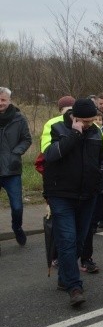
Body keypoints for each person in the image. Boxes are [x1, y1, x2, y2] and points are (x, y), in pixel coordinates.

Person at [42, 98, 103, 307]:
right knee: (68, 239)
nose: (88, 124)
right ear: (74, 116)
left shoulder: (97, 131)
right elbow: (50, 155)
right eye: (84, 121)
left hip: (88, 195)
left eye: (91, 121)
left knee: (79, 240)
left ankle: (65, 277)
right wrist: (75, 134)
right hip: (60, 194)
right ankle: (74, 287)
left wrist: (101, 177)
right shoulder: (54, 126)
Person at [78, 110, 103, 273]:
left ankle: (86, 258)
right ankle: (63, 260)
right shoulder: (72, 132)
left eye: (97, 119)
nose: (95, 122)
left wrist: (101, 169)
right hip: (74, 188)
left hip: (97, 182)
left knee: (89, 223)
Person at [0, 87, 32, 249]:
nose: (0, 103)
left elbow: (27, 139)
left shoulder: (19, 118)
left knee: (17, 207)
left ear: (9, 100)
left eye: (3, 100)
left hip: (12, 170)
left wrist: (15, 153)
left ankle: (16, 226)